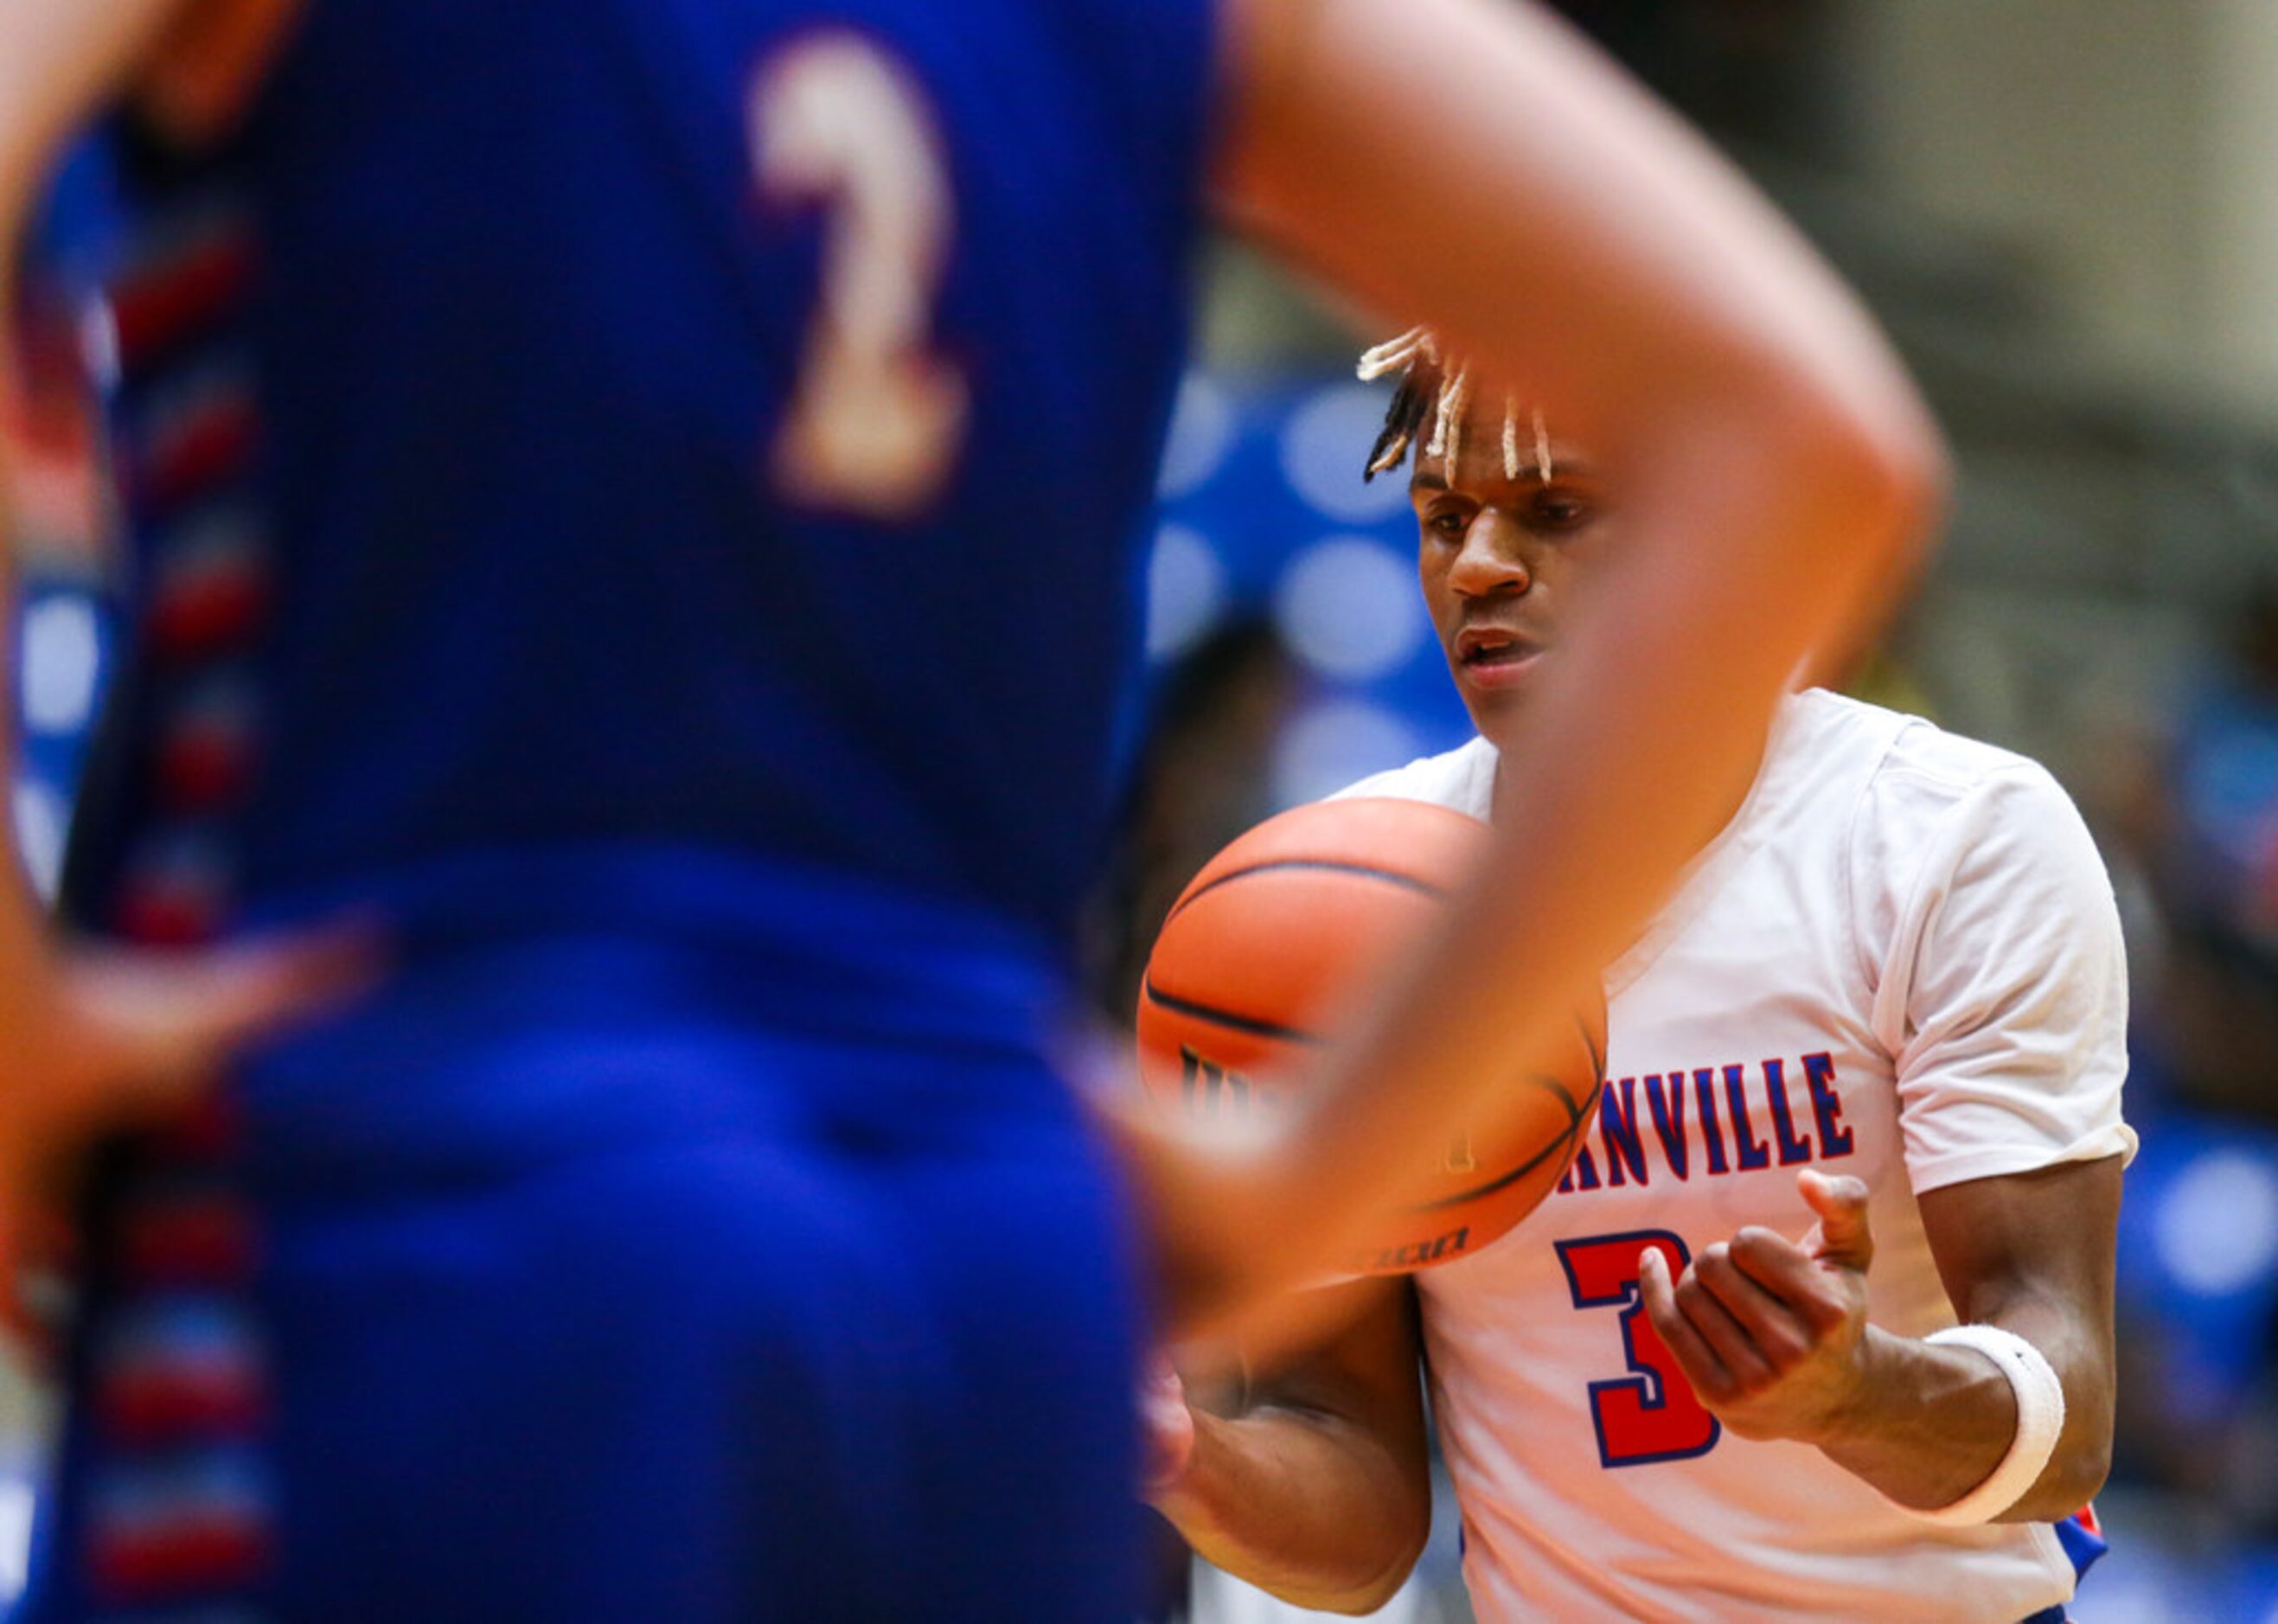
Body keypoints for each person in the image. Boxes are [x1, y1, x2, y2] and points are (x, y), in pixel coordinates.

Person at [0, 0, 1942, 1616]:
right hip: (993, 1264)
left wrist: (15, 1030)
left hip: (448, 1174)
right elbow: (1802, 434)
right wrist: (1311, 1195)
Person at [1145, 334, 2127, 1621]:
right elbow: (1361, 1506)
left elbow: (2068, 1422)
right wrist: (1181, 1455)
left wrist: (1858, 1390)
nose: (1478, 567)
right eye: (1443, 518)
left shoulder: (1947, 836)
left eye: (1557, 510)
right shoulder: (1327, 918)